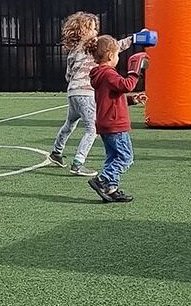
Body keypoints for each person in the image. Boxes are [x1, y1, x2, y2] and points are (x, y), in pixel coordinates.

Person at [48, 12, 132, 177]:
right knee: (91, 128)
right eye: (93, 29)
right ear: (83, 31)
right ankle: (78, 163)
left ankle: (56, 152)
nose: (95, 32)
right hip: (85, 93)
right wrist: (133, 39)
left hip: (73, 93)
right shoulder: (90, 47)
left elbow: (68, 75)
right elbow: (114, 46)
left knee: (69, 123)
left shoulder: (73, 51)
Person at [87, 35, 147, 203]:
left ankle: (111, 189)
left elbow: (114, 96)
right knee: (125, 157)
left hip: (105, 124)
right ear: (110, 55)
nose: (118, 58)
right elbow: (126, 85)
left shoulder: (100, 75)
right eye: (117, 55)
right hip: (115, 125)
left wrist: (133, 99)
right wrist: (135, 72)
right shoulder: (107, 73)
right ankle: (102, 180)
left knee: (113, 157)